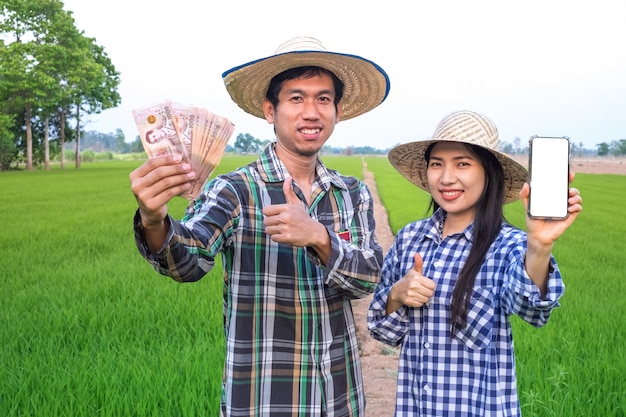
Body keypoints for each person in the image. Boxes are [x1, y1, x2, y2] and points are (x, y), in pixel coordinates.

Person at [130, 37, 390, 417]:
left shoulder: (352, 194)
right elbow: (188, 261)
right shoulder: (236, 190)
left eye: (323, 99)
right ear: (271, 110)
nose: (312, 112)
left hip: (340, 397)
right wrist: (155, 220)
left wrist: (319, 237)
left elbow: (368, 279)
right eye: (296, 98)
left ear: (336, 111)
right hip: (263, 397)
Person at [367, 110, 583, 417]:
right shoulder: (410, 238)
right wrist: (396, 295)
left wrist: (538, 246)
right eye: (436, 164)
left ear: (489, 172)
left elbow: (533, 309)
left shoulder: (507, 245)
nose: (446, 177)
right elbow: (379, 329)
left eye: (463, 164)